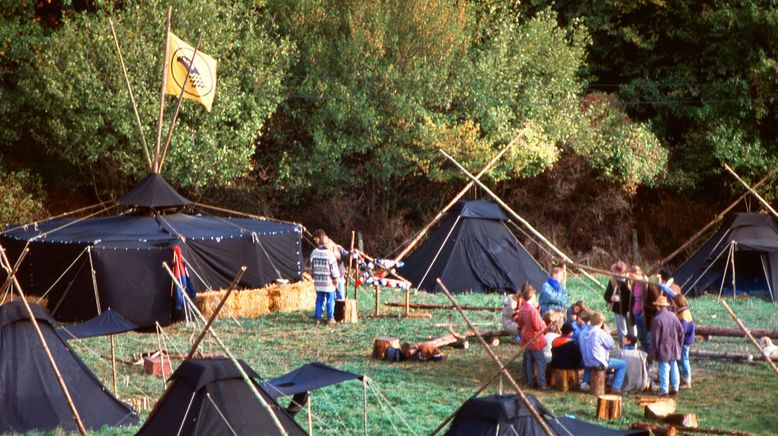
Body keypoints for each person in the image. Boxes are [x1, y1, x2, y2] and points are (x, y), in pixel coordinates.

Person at [579, 311, 628, 394]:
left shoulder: (583, 332)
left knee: (591, 360)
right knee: (623, 364)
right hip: (599, 363)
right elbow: (611, 345)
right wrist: (607, 333)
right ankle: (615, 387)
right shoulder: (600, 333)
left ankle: (585, 382)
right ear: (601, 322)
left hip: (586, 362)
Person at [516, 282, 549, 390]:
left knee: (529, 360)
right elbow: (537, 326)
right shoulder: (532, 310)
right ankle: (542, 383)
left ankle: (530, 381)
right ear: (532, 296)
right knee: (540, 362)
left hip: (526, 337)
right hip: (535, 339)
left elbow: (519, 322)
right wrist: (544, 324)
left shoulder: (523, 307)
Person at [650, 295, 684, 396]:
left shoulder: (657, 320)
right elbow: (681, 332)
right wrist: (679, 345)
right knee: (674, 367)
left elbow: (654, 339)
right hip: (674, 348)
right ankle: (675, 388)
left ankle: (664, 390)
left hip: (663, 349)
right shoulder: (674, 316)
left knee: (664, 368)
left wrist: (654, 353)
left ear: (657, 306)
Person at [310, 229, 340, 325]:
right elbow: (334, 269)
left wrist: (313, 275)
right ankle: (330, 318)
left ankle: (317, 318)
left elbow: (311, 268)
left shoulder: (314, 252)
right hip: (329, 283)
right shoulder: (330, 254)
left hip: (318, 282)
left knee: (319, 300)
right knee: (330, 300)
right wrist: (336, 279)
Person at [603, 260, 635, 347]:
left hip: (630, 310)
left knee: (632, 332)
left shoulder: (630, 280)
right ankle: (623, 350)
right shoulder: (613, 281)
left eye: (619, 272)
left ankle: (633, 349)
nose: (617, 274)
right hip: (618, 310)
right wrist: (612, 298)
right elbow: (606, 296)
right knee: (622, 332)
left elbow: (634, 295)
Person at [673, 294, 695, 389]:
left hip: (685, 341)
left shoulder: (684, 315)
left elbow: (682, 331)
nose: (672, 304)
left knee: (684, 359)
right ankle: (683, 377)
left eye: (673, 302)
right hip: (685, 339)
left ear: (678, 303)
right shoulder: (682, 311)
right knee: (682, 359)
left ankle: (687, 380)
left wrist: (677, 342)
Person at [629, 265, 649, 353]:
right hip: (635, 312)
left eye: (632, 276)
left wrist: (644, 312)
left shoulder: (645, 283)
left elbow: (646, 297)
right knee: (640, 336)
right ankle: (643, 353)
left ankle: (649, 355)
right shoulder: (634, 284)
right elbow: (633, 298)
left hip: (643, 312)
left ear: (638, 274)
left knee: (646, 335)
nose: (631, 278)